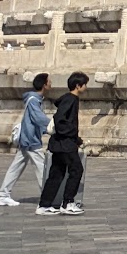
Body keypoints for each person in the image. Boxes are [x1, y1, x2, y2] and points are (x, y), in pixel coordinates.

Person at [37, 72, 89, 216]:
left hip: (60, 143)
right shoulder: (71, 99)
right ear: (78, 86)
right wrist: (72, 133)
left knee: (57, 173)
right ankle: (68, 202)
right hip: (65, 143)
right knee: (76, 170)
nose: (86, 87)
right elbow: (60, 119)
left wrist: (77, 139)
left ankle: (44, 205)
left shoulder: (67, 99)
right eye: (85, 84)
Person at [0, 73, 52, 206]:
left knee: (16, 167)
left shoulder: (35, 99)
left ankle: (3, 194)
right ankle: (47, 197)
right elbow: (38, 118)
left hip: (27, 139)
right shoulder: (34, 100)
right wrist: (54, 126)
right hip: (31, 140)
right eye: (49, 81)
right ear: (44, 84)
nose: (51, 83)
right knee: (42, 167)